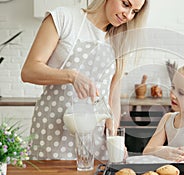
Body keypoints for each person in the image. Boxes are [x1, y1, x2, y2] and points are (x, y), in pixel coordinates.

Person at [21, 0, 149, 160]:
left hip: (94, 140)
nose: (128, 15)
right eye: (125, 4)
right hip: (52, 132)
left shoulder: (119, 40)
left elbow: (113, 96)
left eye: (135, 12)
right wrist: (71, 76)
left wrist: (113, 134)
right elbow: (29, 71)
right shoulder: (64, 18)